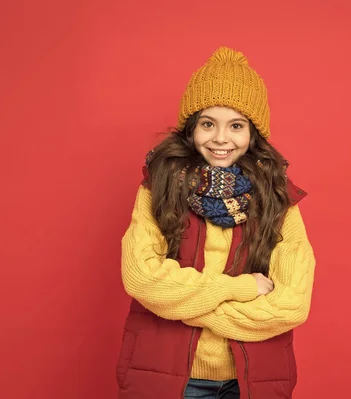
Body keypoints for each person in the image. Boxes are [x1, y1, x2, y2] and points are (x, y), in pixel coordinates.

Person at [117, 46, 316, 399]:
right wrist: (243, 288)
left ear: (252, 133)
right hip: (169, 375)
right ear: (191, 129)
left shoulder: (277, 198)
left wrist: (182, 305)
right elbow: (143, 279)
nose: (221, 139)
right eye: (208, 123)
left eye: (236, 125)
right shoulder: (159, 187)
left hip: (253, 379)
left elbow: (292, 304)